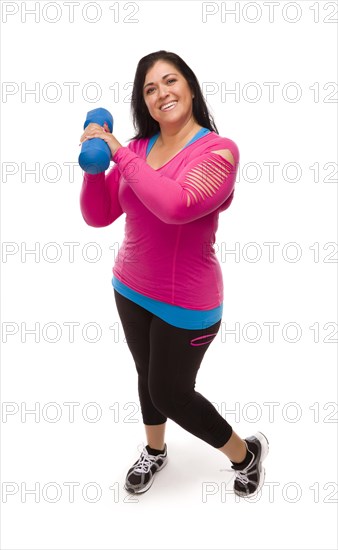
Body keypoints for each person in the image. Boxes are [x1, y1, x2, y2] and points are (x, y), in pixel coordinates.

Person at [79, 50, 269, 498]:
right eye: (149, 88)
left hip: (188, 303)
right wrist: (92, 166)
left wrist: (118, 154)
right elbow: (99, 214)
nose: (161, 92)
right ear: (142, 102)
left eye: (169, 81)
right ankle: (156, 451)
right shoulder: (140, 148)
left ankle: (245, 454)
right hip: (128, 286)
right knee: (146, 375)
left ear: (190, 86)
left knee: (170, 392)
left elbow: (176, 206)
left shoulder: (218, 151)